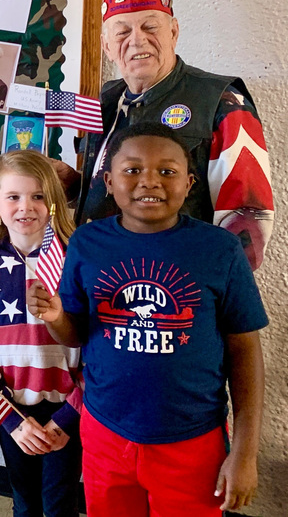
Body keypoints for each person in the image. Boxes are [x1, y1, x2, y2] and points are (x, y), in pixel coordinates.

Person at [30, 123, 267, 516]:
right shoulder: (88, 243)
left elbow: (245, 352)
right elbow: (76, 336)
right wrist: (56, 317)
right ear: (108, 180)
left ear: (190, 182)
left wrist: (245, 453)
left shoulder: (219, 249)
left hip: (192, 441)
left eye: (167, 171)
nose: (149, 182)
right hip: (106, 431)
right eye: (132, 170)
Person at [71, 0, 273, 270]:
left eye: (150, 26)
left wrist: (209, 292)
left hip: (177, 291)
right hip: (101, 285)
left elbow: (248, 216)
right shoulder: (103, 102)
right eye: (122, 31)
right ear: (107, 46)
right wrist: (74, 184)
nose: (137, 39)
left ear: (174, 32)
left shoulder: (222, 100)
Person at [0, 150, 82, 517]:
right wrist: (9, 421)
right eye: (14, 197)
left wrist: (69, 418)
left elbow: (101, 351)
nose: (26, 207)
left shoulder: (77, 261)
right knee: (24, 503)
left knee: (60, 505)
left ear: (54, 202)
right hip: (13, 412)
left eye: (38, 196)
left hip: (69, 411)